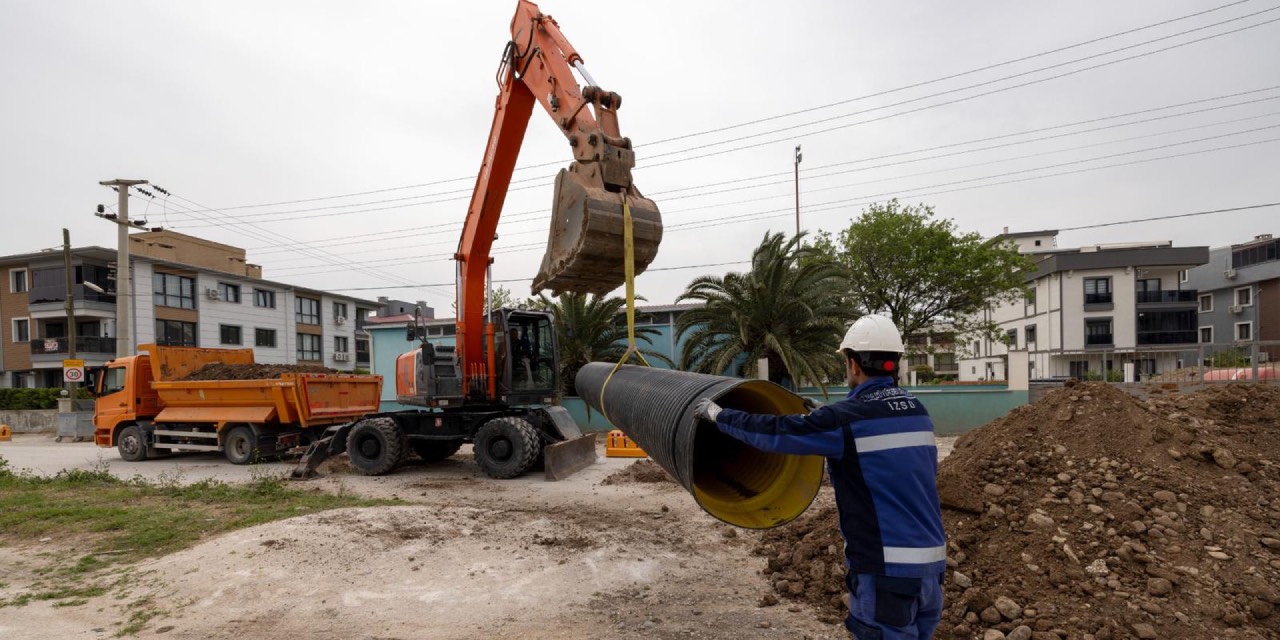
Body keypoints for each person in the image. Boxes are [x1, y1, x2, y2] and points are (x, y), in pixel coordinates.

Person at [693, 314, 945, 640]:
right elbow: (888, 446)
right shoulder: (916, 411)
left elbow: (777, 432)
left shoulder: (844, 420)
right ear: (895, 362)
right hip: (932, 571)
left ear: (854, 364)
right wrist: (823, 416)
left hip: (885, 573)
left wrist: (719, 415)